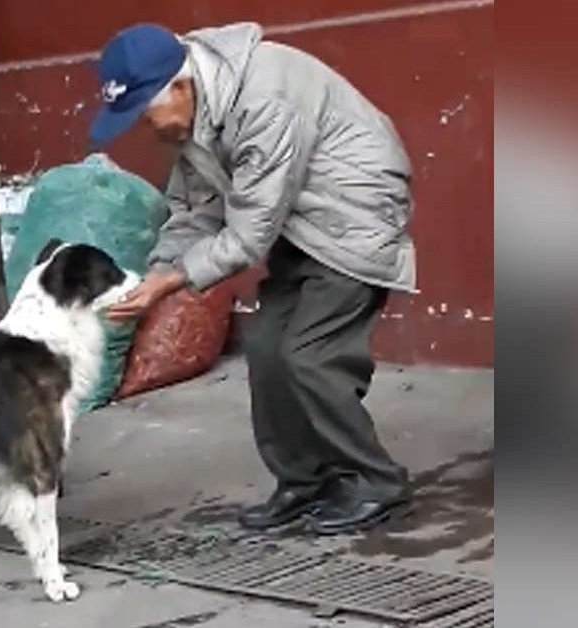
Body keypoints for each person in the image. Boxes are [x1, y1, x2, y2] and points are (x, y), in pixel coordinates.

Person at [92, 22, 416, 535]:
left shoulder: (264, 99)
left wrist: (172, 282)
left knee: (310, 356)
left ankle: (376, 482)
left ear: (179, 87)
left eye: (144, 112)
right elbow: (192, 211)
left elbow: (249, 235)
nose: (146, 129)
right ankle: (306, 481)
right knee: (266, 346)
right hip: (298, 223)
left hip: (354, 216)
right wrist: (155, 274)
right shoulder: (196, 113)